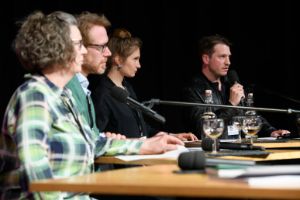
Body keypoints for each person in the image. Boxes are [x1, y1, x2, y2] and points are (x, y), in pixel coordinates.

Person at [0, 11, 183, 200]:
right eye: (79, 44)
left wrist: (143, 145)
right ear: (57, 49)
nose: (84, 51)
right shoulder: (35, 97)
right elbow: (37, 180)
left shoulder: (64, 96)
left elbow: (95, 142)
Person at [92, 28, 197, 141]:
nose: (139, 65)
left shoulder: (127, 88)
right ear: (118, 60)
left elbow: (141, 129)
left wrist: (170, 135)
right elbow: (97, 137)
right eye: (135, 59)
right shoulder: (103, 95)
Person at [183, 34, 290, 139]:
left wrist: (271, 131)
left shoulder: (231, 83)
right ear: (206, 59)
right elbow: (203, 128)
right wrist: (231, 105)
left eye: (229, 57)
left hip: (239, 145)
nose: (228, 62)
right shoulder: (193, 89)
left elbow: (251, 116)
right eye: (222, 57)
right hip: (211, 150)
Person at [66, 12, 125, 140]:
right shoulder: (66, 88)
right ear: (80, 47)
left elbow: (89, 139)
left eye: (107, 46)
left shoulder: (83, 87)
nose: (108, 53)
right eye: (101, 47)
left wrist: (103, 138)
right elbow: (81, 144)